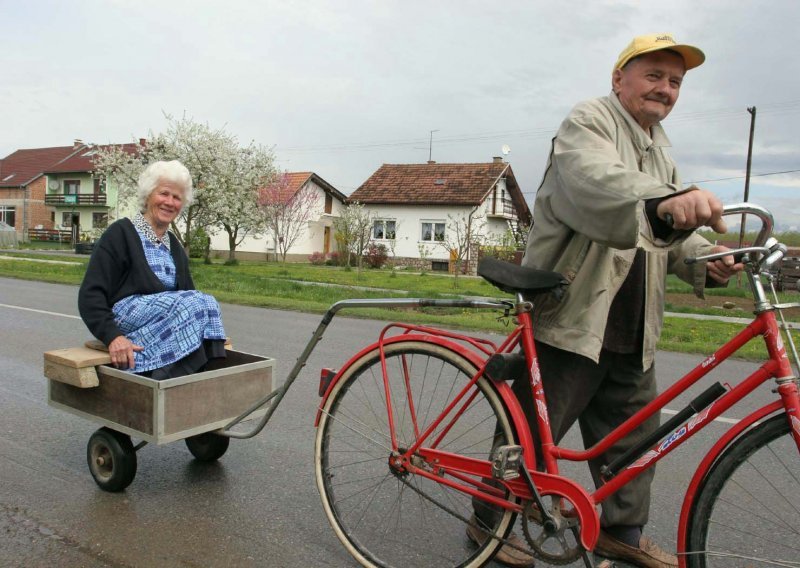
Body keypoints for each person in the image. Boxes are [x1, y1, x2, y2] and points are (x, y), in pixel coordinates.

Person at [469, 34, 743, 568]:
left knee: (635, 439)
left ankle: (622, 532)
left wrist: (707, 257)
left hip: (634, 316)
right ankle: (489, 524)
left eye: (675, 82)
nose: (665, 89)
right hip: (576, 307)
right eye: (654, 75)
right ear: (619, 78)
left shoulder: (659, 144)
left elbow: (673, 231)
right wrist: (667, 200)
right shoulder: (587, 123)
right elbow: (598, 183)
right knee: (532, 430)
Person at [79, 160, 227, 379]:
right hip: (124, 321)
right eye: (164, 194)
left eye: (177, 198)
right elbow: (90, 295)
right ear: (148, 195)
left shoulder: (174, 246)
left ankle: (200, 369)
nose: (170, 202)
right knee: (196, 302)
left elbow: (189, 295)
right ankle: (162, 374)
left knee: (207, 301)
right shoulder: (120, 233)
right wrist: (113, 337)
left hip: (163, 324)